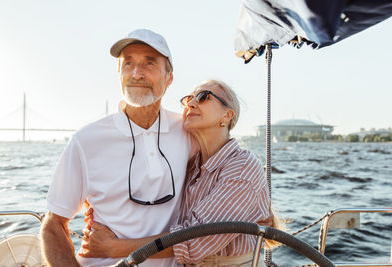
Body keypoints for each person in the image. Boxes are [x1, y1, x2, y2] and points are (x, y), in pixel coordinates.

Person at [80, 80, 280, 267]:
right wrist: (102, 205)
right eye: (187, 99)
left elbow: (196, 240)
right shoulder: (192, 165)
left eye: (203, 97)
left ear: (227, 116)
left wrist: (113, 248)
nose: (191, 104)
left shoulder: (242, 167)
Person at [40, 29, 192, 267]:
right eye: (127, 63)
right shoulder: (86, 140)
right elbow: (54, 224)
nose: (136, 73)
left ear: (169, 77)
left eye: (149, 63)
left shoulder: (189, 131)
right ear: (118, 73)